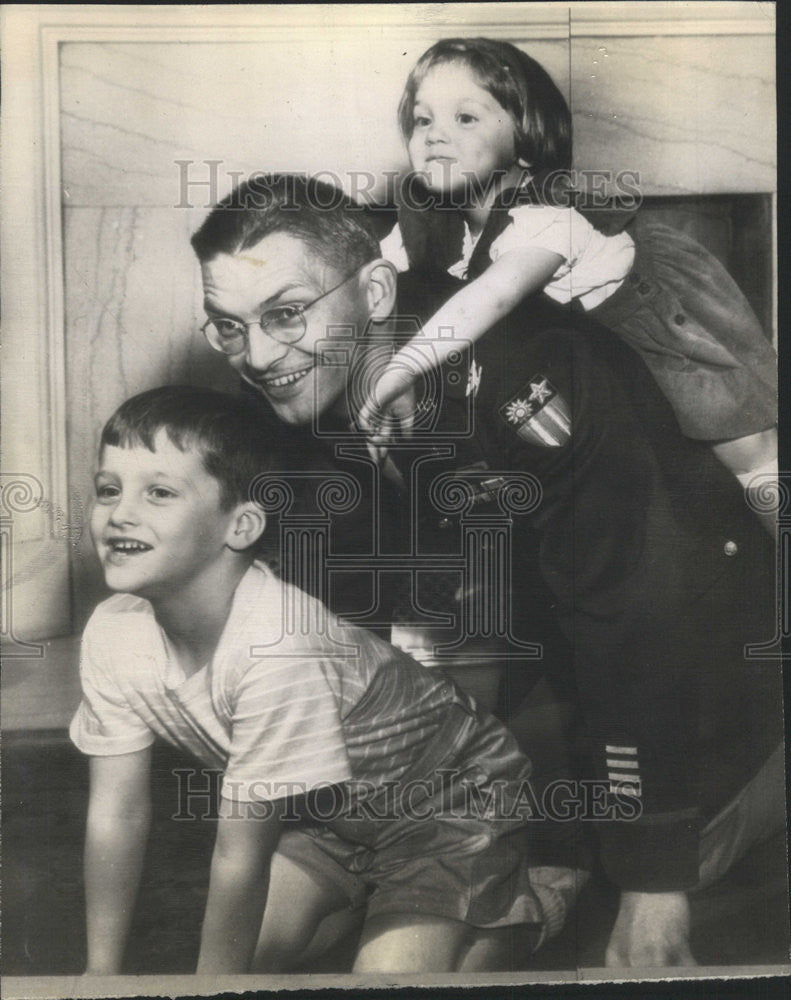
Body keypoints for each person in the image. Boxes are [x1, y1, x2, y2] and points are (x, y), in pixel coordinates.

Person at [190, 173, 784, 968]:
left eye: (285, 315)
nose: (259, 356)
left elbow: (635, 617)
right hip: (558, 660)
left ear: (372, 291)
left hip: (717, 656)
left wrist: (652, 880)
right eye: (229, 327)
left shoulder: (518, 375)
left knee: (625, 879)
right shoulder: (318, 376)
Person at [70, 385, 581, 975]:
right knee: (240, 953)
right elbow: (119, 813)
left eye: (159, 492)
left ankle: (533, 905)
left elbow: (241, 854)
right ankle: (374, 910)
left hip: (448, 804)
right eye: (108, 489)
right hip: (327, 817)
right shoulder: (114, 633)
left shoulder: (277, 645)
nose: (120, 512)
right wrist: (97, 974)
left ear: (240, 526)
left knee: (375, 983)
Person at [359, 38, 777, 530]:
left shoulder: (547, 213)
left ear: (527, 140)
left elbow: (491, 297)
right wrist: (373, 359)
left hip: (651, 333)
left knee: (751, 456)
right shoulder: (431, 215)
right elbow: (366, 281)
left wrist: (397, 372)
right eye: (423, 120)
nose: (434, 135)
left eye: (465, 118)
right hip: (582, 356)